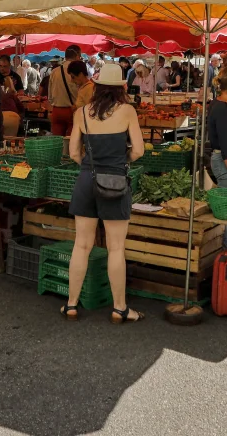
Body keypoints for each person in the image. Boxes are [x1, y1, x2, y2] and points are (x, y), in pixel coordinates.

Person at [64, 62, 145, 323]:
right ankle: (119, 308)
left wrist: (90, 168)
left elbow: (74, 152)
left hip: (87, 179)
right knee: (116, 248)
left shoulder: (82, 113)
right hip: (115, 181)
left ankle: (71, 305)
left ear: (97, 87)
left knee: (82, 244)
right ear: (122, 87)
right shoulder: (128, 111)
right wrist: (121, 162)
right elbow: (139, 151)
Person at [208, 64, 227, 247]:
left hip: (226, 159)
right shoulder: (224, 109)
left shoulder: (223, 104)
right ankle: (224, 249)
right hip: (225, 161)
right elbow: (226, 145)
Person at [48, 45, 81, 136]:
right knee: (71, 142)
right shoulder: (78, 72)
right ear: (77, 56)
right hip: (72, 110)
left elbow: (50, 96)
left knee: (57, 142)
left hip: (57, 111)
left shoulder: (54, 72)